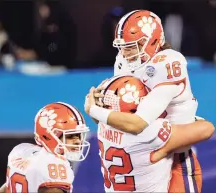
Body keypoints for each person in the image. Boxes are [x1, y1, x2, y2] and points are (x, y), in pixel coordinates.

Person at [86, 10, 203, 193]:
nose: (125, 53)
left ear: (153, 41)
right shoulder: (123, 60)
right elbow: (119, 115)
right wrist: (104, 102)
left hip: (175, 153)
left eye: (131, 46)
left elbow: (139, 122)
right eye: (122, 46)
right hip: (144, 150)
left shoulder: (168, 62)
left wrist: (93, 110)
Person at [85, 75, 214, 192]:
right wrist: (189, 120)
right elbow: (207, 129)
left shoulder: (102, 125)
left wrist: (93, 109)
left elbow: (109, 117)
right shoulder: (148, 132)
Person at [0, 102, 90, 193]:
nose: (78, 141)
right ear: (48, 136)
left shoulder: (21, 151)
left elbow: (7, 187)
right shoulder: (55, 166)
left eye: (79, 135)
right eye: (70, 136)